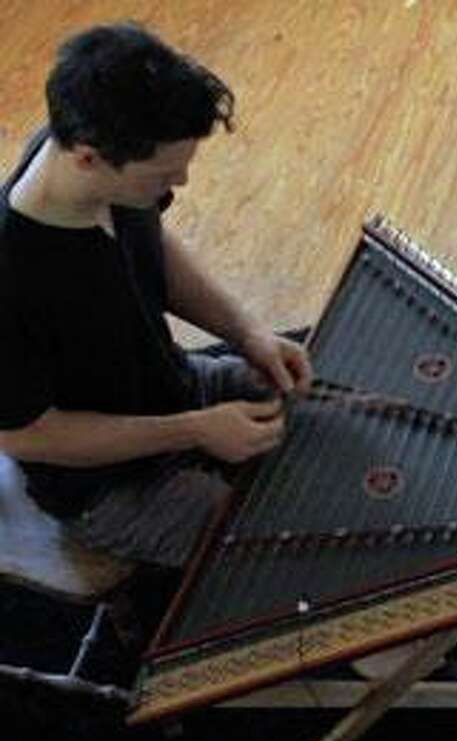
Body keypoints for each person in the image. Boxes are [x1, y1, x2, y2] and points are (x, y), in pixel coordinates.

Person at [0, 22, 313, 570]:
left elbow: (153, 246)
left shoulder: (97, 173)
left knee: (352, 424)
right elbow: (26, 435)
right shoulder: (11, 272)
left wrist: (247, 332)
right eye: (165, 173)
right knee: (296, 549)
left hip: (178, 386)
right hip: (109, 489)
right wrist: (194, 430)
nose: (181, 184)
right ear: (88, 158)